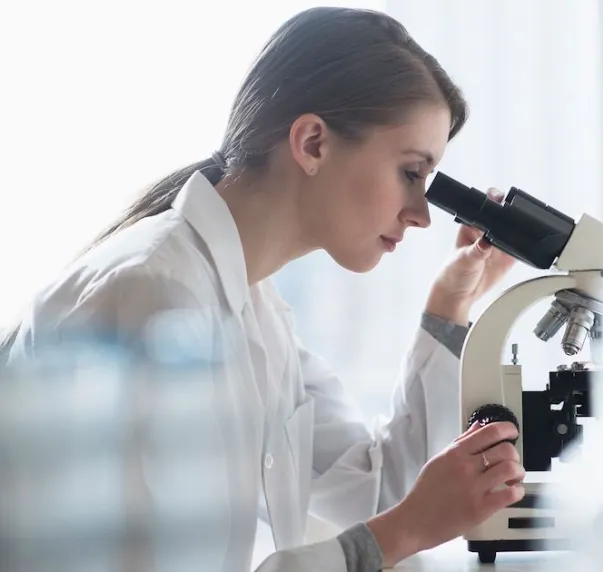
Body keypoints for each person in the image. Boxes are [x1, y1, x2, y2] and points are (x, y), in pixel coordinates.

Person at [0, 7, 526, 572]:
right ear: (313, 143)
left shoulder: (256, 308)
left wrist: (451, 306)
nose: (423, 214)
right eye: (411, 173)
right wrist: (400, 533)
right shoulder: (152, 297)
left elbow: (378, 492)